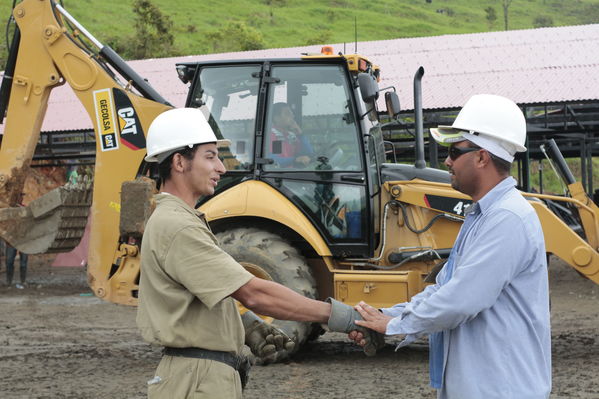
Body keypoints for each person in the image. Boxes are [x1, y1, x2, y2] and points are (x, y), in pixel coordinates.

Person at [136, 107, 382, 399]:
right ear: (179, 161)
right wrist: (343, 317)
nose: (222, 168)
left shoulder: (181, 221)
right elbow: (255, 293)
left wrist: (243, 324)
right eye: (210, 156)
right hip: (198, 379)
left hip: (199, 375)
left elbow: (195, 297)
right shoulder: (177, 227)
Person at [349, 94, 551, 399]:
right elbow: (445, 290)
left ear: (482, 157)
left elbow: (460, 300)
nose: (446, 161)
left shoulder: (507, 219)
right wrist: (382, 314)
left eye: (454, 152)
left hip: (501, 389)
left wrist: (393, 324)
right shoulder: (481, 216)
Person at [267, 102, 313, 168]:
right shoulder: (274, 136)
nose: (292, 116)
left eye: (292, 113)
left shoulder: (290, 135)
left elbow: (308, 153)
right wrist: (295, 159)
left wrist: (300, 135)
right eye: (287, 114)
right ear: (276, 118)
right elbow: (275, 161)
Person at [6, 193, 28, 289]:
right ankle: (9, 282)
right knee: (9, 262)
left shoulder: (25, 208)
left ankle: (23, 281)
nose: (21, 198)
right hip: (12, 240)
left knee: (23, 262)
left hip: (23, 240)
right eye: (19, 196)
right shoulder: (8, 209)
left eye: (21, 196)